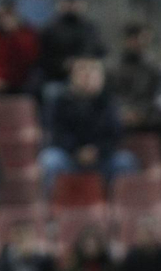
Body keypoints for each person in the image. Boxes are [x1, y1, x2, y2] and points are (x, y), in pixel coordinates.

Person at [38, 57, 137, 192]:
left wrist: (97, 150)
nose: (88, 78)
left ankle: (118, 209)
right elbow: (56, 133)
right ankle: (52, 207)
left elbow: (114, 134)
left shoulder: (109, 102)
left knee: (125, 161)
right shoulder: (60, 101)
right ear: (73, 77)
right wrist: (76, 151)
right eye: (83, 73)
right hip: (69, 157)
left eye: (93, 73)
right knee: (49, 160)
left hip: (101, 158)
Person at [37, 0, 105, 88]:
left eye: (76, 3)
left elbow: (101, 50)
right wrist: (65, 64)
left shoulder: (90, 28)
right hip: (59, 78)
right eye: (69, 3)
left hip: (89, 78)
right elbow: (44, 58)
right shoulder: (50, 29)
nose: (73, 6)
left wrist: (86, 62)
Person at [108, 22, 160, 130]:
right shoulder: (113, 68)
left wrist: (140, 111)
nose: (146, 43)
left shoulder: (154, 68)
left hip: (146, 114)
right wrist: (123, 111)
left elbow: (156, 95)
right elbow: (110, 94)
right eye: (142, 38)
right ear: (129, 40)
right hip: (118, 113)